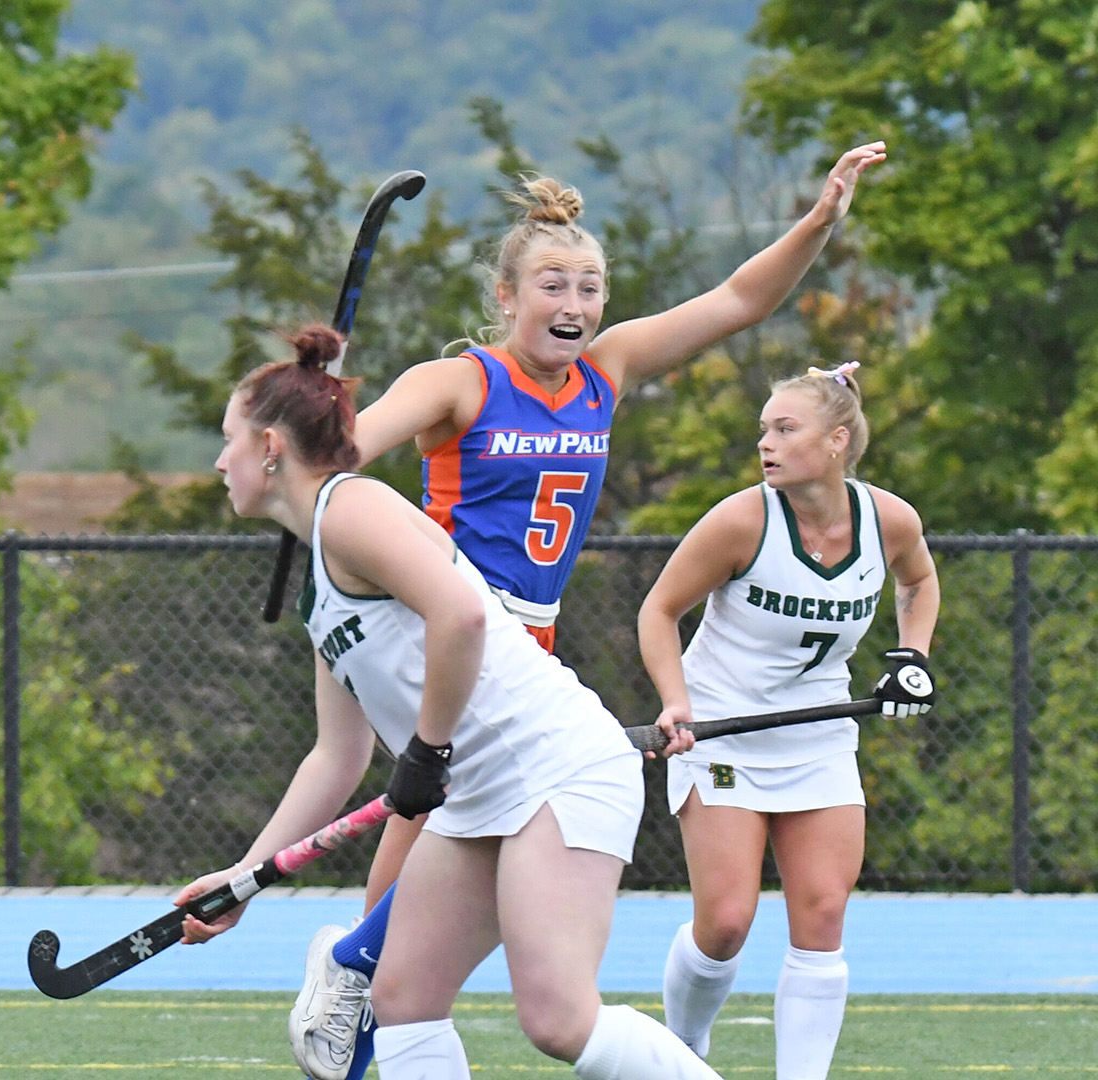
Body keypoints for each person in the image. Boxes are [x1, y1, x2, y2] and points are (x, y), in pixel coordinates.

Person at [292, 141, 889, 1080]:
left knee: (411, 933)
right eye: (552, 287)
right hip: (447, 646)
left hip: (530, 657)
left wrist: (818, 221)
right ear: (506, 297)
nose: (573, 307)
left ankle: (355, 962)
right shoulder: (462, 381)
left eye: (589, 288)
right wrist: (321, 428)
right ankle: (355, 965)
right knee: (405, 893)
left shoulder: (606, 371)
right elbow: (349, 457)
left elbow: (737, 301)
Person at [182, 324, 720, 1080]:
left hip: (559, 771)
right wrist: (247, 876)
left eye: (228, 439)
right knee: (400, 997)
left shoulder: (352, 510)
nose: (218, 460)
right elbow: (337, 755)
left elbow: (459, 615)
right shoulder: (323, 586)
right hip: (479, 795)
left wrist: (428, 752)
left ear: (270, 445)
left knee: (558, 1018)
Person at [637, 363, 938, 1076]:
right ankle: (684, 1054)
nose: (765, 443)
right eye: (763, 430)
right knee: (727, 923)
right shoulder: (742, 520)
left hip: (818, 738)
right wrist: (674, 702)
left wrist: (912, 657)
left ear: (837, 441)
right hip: (721, 734)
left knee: (823, 916)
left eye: (784, 429)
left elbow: (919, 580)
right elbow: (658, 610)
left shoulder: (889, 520)